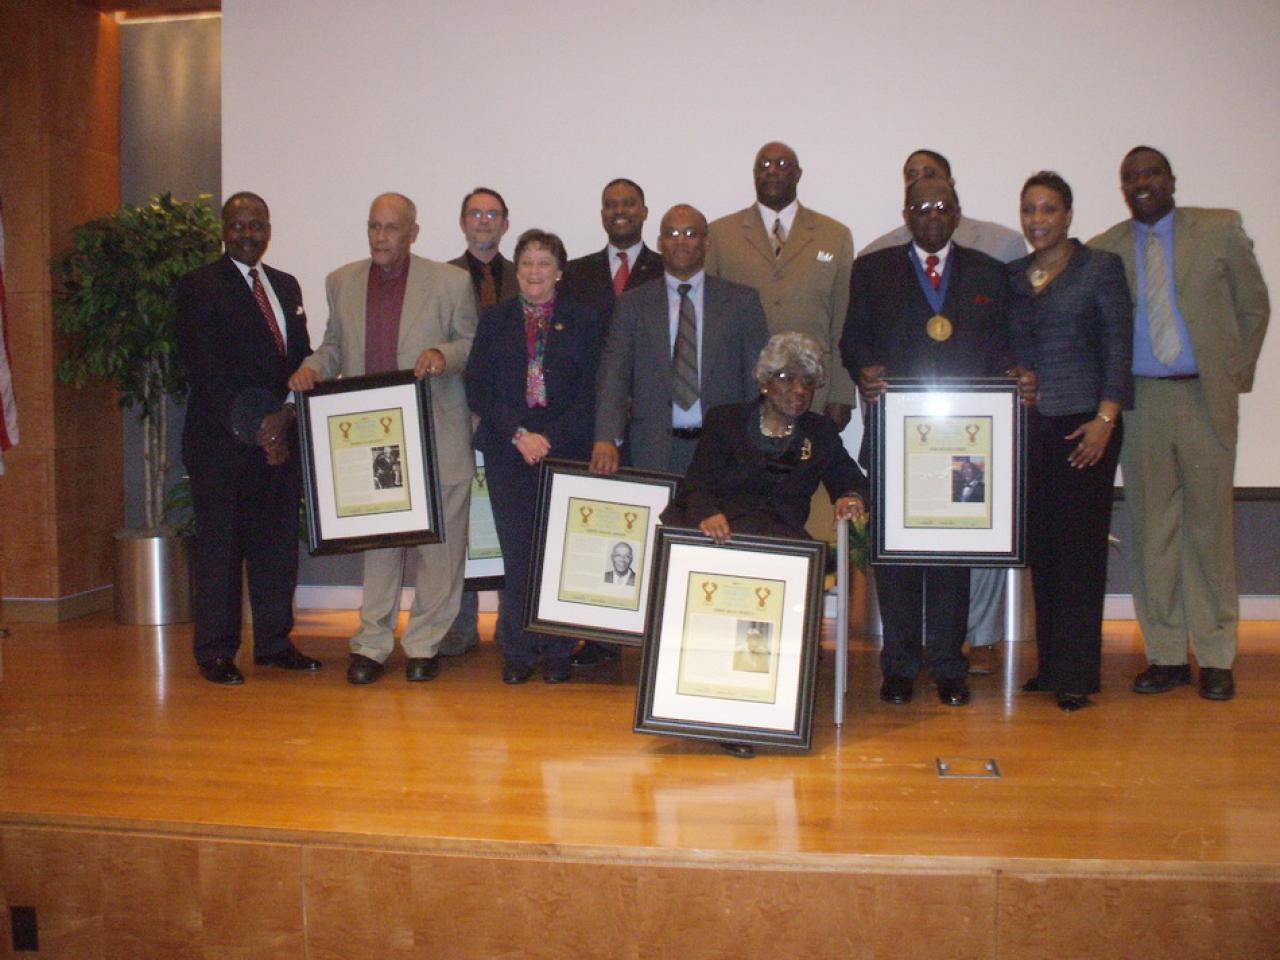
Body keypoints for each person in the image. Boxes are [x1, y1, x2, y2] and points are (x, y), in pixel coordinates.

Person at [841, 177, 1029, 708]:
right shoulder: (872, 270)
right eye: (921, 207)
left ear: (957, 213)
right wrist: (864, 370)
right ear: (906, 214)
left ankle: (949, 666)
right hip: (897, 439)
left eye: (942, 206)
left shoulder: (988, 272)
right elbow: (852, 339)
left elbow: (1003, 344)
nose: (931, 215)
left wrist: (1012, 373)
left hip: (963, 439)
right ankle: (899, 667)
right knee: (896, 559)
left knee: (951, 555)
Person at [1090, 146, 1269, 702]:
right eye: (1130, 177)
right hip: (1140, 403)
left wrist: (1233, 376)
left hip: (1203, 397)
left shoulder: (1219, 229)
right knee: (1152, 531)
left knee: (1210, 528)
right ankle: (1166, 653)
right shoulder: (1105, 248)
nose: (1141, 183)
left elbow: (1254, 307)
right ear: (1122, 187)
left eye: (1151, 173)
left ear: (1171, 179)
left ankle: (1216, 655)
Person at [288, 193, 477, 685]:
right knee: (378, 545)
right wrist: (312, 368)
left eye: (392, 228)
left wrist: (443, 354)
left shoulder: (451, 282)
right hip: (371, 438)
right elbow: (333, 346)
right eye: (374, 226)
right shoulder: (341, 281)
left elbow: (470, 344)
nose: (380, 236)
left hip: (435, 431)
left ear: (413, 233)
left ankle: (424, 644)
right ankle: (371, 645)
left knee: (440, 549)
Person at [175, 191, 320, 685]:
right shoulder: (198, 286)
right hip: (223, 443)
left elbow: (300, 358)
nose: (248, 234)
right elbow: (206, 370)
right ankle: (216, 652)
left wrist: (286, 415)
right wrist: (260, 428)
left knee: (276, 548)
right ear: (223, 229)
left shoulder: (285, 284)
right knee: (221, 550)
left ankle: (275, 644)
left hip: (280, 438)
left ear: (269, 230)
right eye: (238, 225)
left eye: (257, 225)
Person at [1011, 172, 1133, 712]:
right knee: (1043, 548)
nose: (1037, 220)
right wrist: (1014, 373)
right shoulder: (1015, 276)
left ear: (1068, 215)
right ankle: (1052, 666)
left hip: (1087, 425)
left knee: (1080, 551)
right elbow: (1007, 345)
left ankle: (1079, 673)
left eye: (1048, 209)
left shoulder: (1099, 268)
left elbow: (1118, 347)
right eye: (1029, 210)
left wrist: (1106, 417)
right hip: (1033, 428)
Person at [467, 229, 602, 685]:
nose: (534, 271)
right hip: (509, 451)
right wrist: (520, 435)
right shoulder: (495, 320)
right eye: (526, 262)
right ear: (517, 270)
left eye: (544, 263)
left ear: (560, 271)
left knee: (559, 553)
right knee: (519, 555)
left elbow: (591, 392)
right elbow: (478, 389)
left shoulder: (582, 319)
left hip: (565, 450)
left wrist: (549, 437)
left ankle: (559, 649)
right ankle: (519, 651)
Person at [592, 204, 769, 477]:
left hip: (724, 446)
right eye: (672, 234)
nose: (681, 241)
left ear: (706, 242)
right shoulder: (633, 304)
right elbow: (614, 374)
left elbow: (757, 378)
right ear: (660, 243)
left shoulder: (741, 302)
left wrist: (755, 441)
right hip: (652, 446)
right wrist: (606, 437)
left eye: (690, 233)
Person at [705, 142, 857, 430]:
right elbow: (709, 320)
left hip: (811, 387)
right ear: (754, 175)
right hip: (741, 384)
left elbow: (844, 320)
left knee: (807, 457)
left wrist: (841, 394)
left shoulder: (835, 235)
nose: (772, 171)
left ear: (798, 174)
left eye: (782, 165)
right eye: (764, 166)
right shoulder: (720, 234)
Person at [661, 332, 867, 542]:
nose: (799, 390)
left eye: (808, 381)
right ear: (764, 383)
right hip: (723, 534)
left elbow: (850, 479)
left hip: (783, 538)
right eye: (787, 378)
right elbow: (696, 484)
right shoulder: (726, 420)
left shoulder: (820, 431)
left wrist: (851, 497)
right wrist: (707, 513)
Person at [440, 187, 519, 658]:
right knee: (461, 520)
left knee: (509, 517)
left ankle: (512, 625)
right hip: (455, 413)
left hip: (511, 417)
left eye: (493, 214)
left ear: (505, 223)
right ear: (462, 222)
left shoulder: (526, 275)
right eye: (475, 213)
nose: (484, 221)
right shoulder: (439, 279)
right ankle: (459, 623)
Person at [859, 149, 1027, 261]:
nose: (920, 180)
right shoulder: (874, 254)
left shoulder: (1003, 244)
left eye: (929, 174)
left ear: (950, 182)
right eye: (912, 175)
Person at [560, 178, 665, 325]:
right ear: (602, 215)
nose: (619, 211)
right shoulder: (575, 272)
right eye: (610, 205)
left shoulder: (664, 269)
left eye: (629, 204)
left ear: (644, 212)